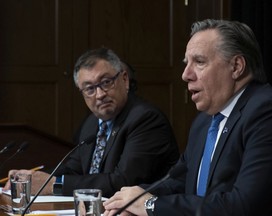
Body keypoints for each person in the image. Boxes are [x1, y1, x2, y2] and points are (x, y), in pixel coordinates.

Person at [103, 19, 272, 216]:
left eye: (199, 62)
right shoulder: (205, 121)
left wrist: (151, 206)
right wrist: (133, 200)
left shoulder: (269, 113)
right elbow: (178, 181)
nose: (185, 75)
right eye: (186, 63)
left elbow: (244, 206)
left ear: (236, 66)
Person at [4, 47, 180, 198]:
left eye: (106, 82)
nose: (100, 94)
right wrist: (32, 179)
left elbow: (124, 181)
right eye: (90, 88)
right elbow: (73, 168)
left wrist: (54, 185)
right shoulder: (92, 122)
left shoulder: (146, 119)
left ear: (124, 79)